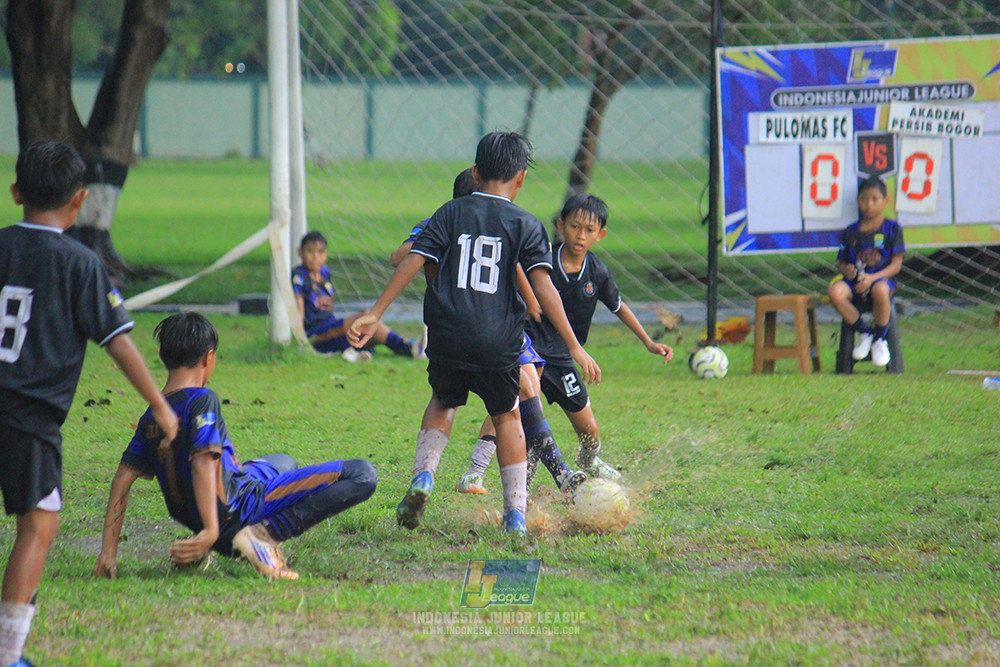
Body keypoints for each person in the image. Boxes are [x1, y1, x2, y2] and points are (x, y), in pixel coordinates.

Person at [348, 131, 600, 534]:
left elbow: (413, 259)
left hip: (446, 333)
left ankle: (423, 477)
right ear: (520, 179)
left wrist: (376, 313)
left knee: (443, 401)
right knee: (506, 416)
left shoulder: (449, 212)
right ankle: (516, 514)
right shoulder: (526, 224)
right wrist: (574, 345)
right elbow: (543, 288)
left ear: (477, 172)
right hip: (497, 339)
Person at [0, 141, 180, 667]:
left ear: (15, 193)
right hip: (30, 415)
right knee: (39, 525)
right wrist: (160, 405)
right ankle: (8, 655)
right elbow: (120, 342)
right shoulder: (81, 263)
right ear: (79, 201)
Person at [92, 312, 378, 581]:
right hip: (235, 510)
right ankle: (262, 536)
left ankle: (210, 542)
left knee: (284, 461)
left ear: (163, 356)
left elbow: (122, 480)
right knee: (362, 474)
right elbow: (203, 463)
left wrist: (108, 553)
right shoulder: (202, 400)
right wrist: (211, 531)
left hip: (201, 516)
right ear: (209, 357)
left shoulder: (151, 416)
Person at [525, 193, 674, 481]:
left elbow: (618, 307)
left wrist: (648, 342)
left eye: (589, 230)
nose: (580, 235)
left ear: (600, 234)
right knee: (512, 412)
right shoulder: (543, 264)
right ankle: (477, 471)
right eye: (574, 226)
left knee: (590, 431)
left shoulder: (597, 272)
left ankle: (588, 460)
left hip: (564, 358)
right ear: (560, 225)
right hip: (531, 350)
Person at [293, 231, 425, 362]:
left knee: (368, 322)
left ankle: (406, 347)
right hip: (314, 334)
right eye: (310, 251)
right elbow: (298, 312)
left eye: (320, 252)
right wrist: (300, 340)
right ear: (300, 252)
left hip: (330, 324)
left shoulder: (325, 273)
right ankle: (409, 348)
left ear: (326, 254)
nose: (315, 257)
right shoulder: (299, 276)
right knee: (366, 318)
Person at [828, 176, 905, 368]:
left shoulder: (892, 229)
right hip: (856, 284)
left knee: (880, 290)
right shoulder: (851, 231)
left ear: (885, 201)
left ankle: (880, 339)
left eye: (874, 199)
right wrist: (848, 271)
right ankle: (865, 332)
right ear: (857, 201)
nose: (868, 205)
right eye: (863, 199)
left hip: (881, 281)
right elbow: (842, 262)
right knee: (835, 292)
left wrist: (871, 278)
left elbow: (896, 265)